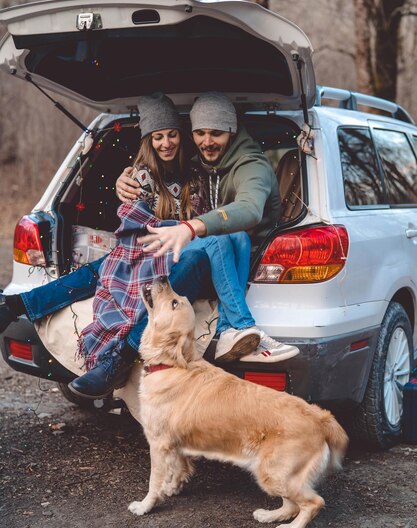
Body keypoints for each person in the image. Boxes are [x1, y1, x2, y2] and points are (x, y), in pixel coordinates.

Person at [0, 92, 298, 398]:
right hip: (165, 250)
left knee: (194, 252)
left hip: (201, 257)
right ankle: (15, 305)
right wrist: (122, 185)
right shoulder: (168, 170)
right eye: (200, 133)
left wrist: (188, 227)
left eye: (173, 135)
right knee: (108, 265)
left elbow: (247, 210)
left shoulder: (234, 168)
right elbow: (139, 220)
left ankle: (121, 357)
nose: (206, 140)